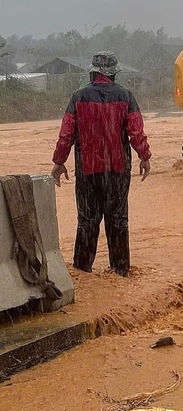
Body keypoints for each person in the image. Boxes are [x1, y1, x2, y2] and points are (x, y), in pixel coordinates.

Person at [50, 51, 151, 277]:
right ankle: (120, 271)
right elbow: (136, 132)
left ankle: (82, 273)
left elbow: (66, 134)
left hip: (87, 172)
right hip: (118, 172)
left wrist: (59, 162)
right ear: (114, 73)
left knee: (87, 222)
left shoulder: (78, 97)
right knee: (118, 221)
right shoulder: (126, 97)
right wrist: (144, 156)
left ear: (93, 72)